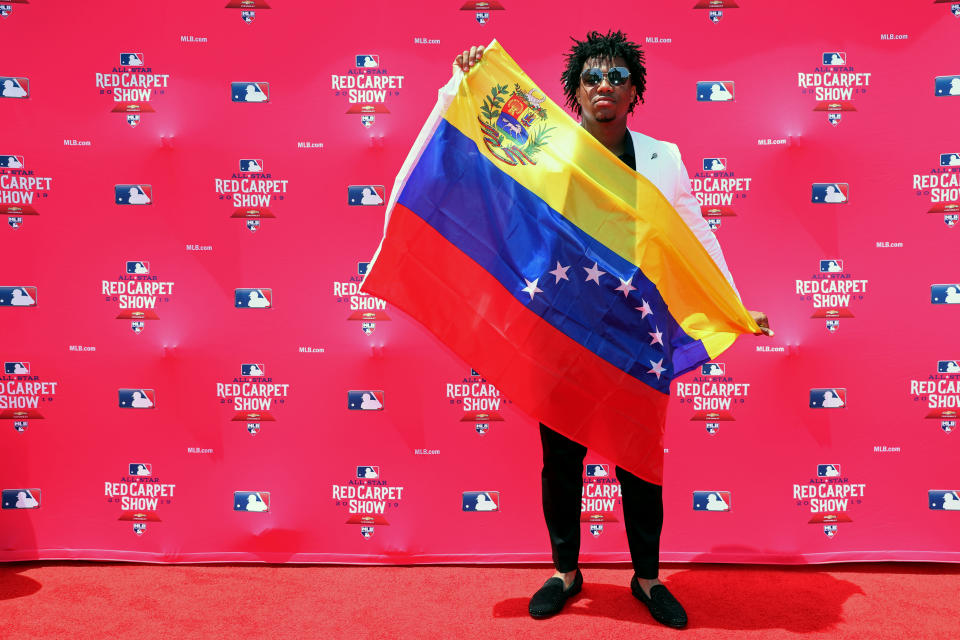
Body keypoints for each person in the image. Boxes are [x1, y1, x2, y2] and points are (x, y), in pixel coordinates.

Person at [453, 31, 772, 629]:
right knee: (561, 453)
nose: (605, 86)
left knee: (639, 457)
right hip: (563, 323)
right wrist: (469, 78)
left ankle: (647, 578)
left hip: (636, 327)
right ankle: (565, 573)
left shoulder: (663, 158)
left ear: (635, 91)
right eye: (593, 77)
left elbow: (696, 234)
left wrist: (731, 303)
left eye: (617, 77)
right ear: (574, 92)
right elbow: (485, 148)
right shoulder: (547, 149)